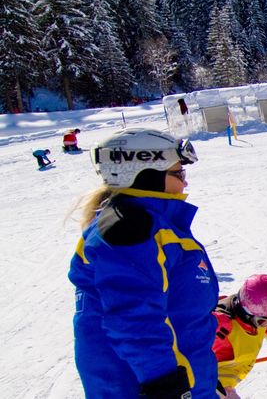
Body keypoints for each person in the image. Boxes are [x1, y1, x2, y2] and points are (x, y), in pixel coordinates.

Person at [68, 128, 218, 398]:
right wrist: (165, 384)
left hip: (188, 378)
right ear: (145, 173)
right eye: (178, 173)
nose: (185, 183)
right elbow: (134, 317)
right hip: (145, 385)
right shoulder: (129, 228)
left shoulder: (152, 224)